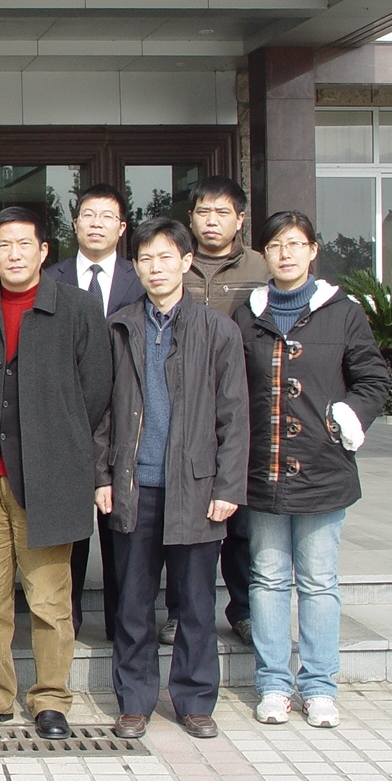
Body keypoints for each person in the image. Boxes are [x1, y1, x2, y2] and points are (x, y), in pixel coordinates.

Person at [0, 206, 112, 738]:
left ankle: (51, 699)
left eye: (24, 244)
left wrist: (59, 443)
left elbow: (95, 391)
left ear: (44, 251)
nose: (14, 254)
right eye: (3, 245)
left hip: (51, 477)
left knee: (48, 599)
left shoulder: (78, 307)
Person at [95, 217, 249, 741]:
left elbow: (235, 416)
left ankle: (195, 700)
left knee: (197, 604)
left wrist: (228, 487)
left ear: (186, 261)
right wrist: (102, 475)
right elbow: (102, 413)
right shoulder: (119, 328)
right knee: (134, 604)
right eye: (145, 259)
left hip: (197, 490)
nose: (155, 268)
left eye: (165, 257)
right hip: (133, 487)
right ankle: (134, 701)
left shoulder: (218, 330)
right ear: (135, 266)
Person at [235, 211, 389, 729]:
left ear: (313, 250)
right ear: (264, 254)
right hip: (263, 469)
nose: (285, 254)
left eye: (295, 244)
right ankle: (273, 684)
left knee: (319, 581)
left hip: (323, 468)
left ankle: (320, 686)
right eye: (275, 245)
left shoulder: (342, 311)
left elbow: (373, 379)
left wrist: (346, 415)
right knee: (268, 579)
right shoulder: (248, 313)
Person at [156, 175, 267, 648]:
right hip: (180, 411)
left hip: (239, 403)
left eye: (223, 213)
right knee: (184, 522)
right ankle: (179, 612)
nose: (212, 221)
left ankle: (243, 609)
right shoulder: (174, 262)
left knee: (239, 521)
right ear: (191, 218)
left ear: (240, 219)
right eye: (203, 212)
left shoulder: (261, 268)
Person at [45, 183, 144, 642]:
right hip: (66, 415)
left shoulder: (141, 277)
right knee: (70, 527)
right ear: (75, 224)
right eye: (88, 215)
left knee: (121, 527)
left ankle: (123, 624)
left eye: (107, 217)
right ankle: (67, 621)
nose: (96, 224)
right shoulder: (51, 277)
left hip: (126, 416)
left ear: (122, 228)